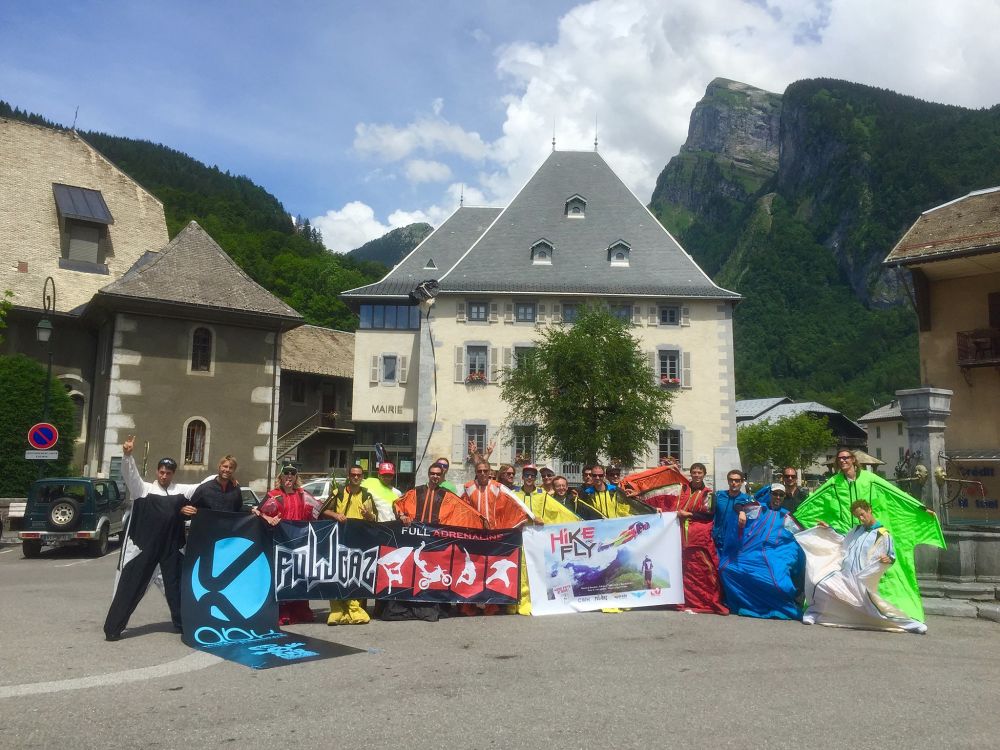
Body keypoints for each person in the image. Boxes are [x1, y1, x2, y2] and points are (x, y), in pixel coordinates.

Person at [792, 448, 945, 625]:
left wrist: (920, 507)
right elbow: (814, 503)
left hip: (869, 538)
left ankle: (891, 614)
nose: (843, 461)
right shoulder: (834, 483)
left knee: (880, 577)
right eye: (840, 458)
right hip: (846, 538)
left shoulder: (870, 480)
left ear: (853, 460)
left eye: (846, 458)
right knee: (828, 575)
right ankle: (826, 611)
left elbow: (895, 495)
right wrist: (795, 516)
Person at [103, 435, 211, 641]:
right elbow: (130, 474)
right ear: (157, 472)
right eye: (161, 472)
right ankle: (113, 629)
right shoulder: (143, 490)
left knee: (177, 589)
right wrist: (127, 455)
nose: (164, 475)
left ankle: (182, 624)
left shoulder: (181, 492)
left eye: (168, 473)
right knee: (130, 588)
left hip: (172, 550)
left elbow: (203, 486)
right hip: (144, 549)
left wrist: (224, 476)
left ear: (173, 474)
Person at [797, 500, 926, 633]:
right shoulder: (857, 530)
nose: (861, 518)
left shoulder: (882, 534)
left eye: (862, 514)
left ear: (869, 510)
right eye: (858, 516)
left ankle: (911, 625)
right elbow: (843, 540)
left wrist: (888, 559)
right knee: (820, 584)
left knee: (874, 610)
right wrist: (828, 529)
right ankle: (814, 613)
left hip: (861, 580)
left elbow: (890, 555)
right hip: (844, 575)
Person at [620, 462, 728, 615]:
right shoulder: (680, 489)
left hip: (697, 538)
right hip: (676, 536)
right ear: (691, 474)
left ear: (704, 474)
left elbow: (709, 514)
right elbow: (657, 495)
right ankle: (680, 599)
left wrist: (688, 514)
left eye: (699, 472)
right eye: (694, 472)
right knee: (680, 568)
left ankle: (705, 601)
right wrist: (637, 496)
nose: (697, 475)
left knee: (701, 569)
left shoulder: (708, 494)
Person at [717, 481, 804, 620]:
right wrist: (741, 513)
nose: (777, 497)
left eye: (781, 495)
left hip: (773, 553)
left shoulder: (786, 516)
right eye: (775, 494)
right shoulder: (758, 508)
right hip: (751, 551)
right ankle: (747, 604)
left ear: (783, 498)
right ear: (770, 495)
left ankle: (776, 606)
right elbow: (738, 506)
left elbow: (802, 533)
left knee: (780, 583)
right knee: (726, 569)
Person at [256, 465, 323, 625]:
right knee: (283, 578)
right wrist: (268, 518)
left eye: (293, 474)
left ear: (296, 477)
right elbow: (258, 512)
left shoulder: (303, 495)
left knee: (300, 577)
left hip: (300, 544)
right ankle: (283, 612)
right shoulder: (274, 495)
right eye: (286, 473)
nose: (289, 476)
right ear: (281, 476)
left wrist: (335, 512)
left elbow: (319, 510)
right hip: (281, 543)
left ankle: (301, 611)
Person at [512, 465, 578, 615]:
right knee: (520, 569)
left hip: (536, 537)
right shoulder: (514, 493)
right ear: (522, 477)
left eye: (532, 476)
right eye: (527, 475)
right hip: (519, 536)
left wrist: (576, 522)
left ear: (535, 479)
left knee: (536, 568)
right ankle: (519, 602)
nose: (529, 478)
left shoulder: (542, 494)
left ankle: (534, 601)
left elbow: (556, 511)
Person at [321, 466, 377, 625]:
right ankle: (337, 610)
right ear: (349, 476)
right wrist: (336, 515)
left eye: (359, 475)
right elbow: (323, 510)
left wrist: (368, 515)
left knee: (355, 575)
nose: (356, 478)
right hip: (339, 539)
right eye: (353, 475)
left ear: (362, 477)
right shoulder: (338, 492)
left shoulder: (366, 495)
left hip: (358, 541)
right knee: (337, 574)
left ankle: (354, 609)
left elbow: (374, 519)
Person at [462, 461, 532, 530]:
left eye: (485, 471)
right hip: (475, 531)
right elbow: (460, 506)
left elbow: (516, 500)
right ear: (476, 472)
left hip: (494, 531)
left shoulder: (497, 486)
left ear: (489, 472)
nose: (482, 473)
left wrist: (532, 516)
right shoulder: (468, 487)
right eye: (480, 471)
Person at [713, 469, 749, 556]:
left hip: (734, 543)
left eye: (737, 480)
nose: (734, 482)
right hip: (715, 541)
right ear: (728, 481)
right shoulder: (719, 495)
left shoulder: (747, 500)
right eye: (731, 480)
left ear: (741, 482)